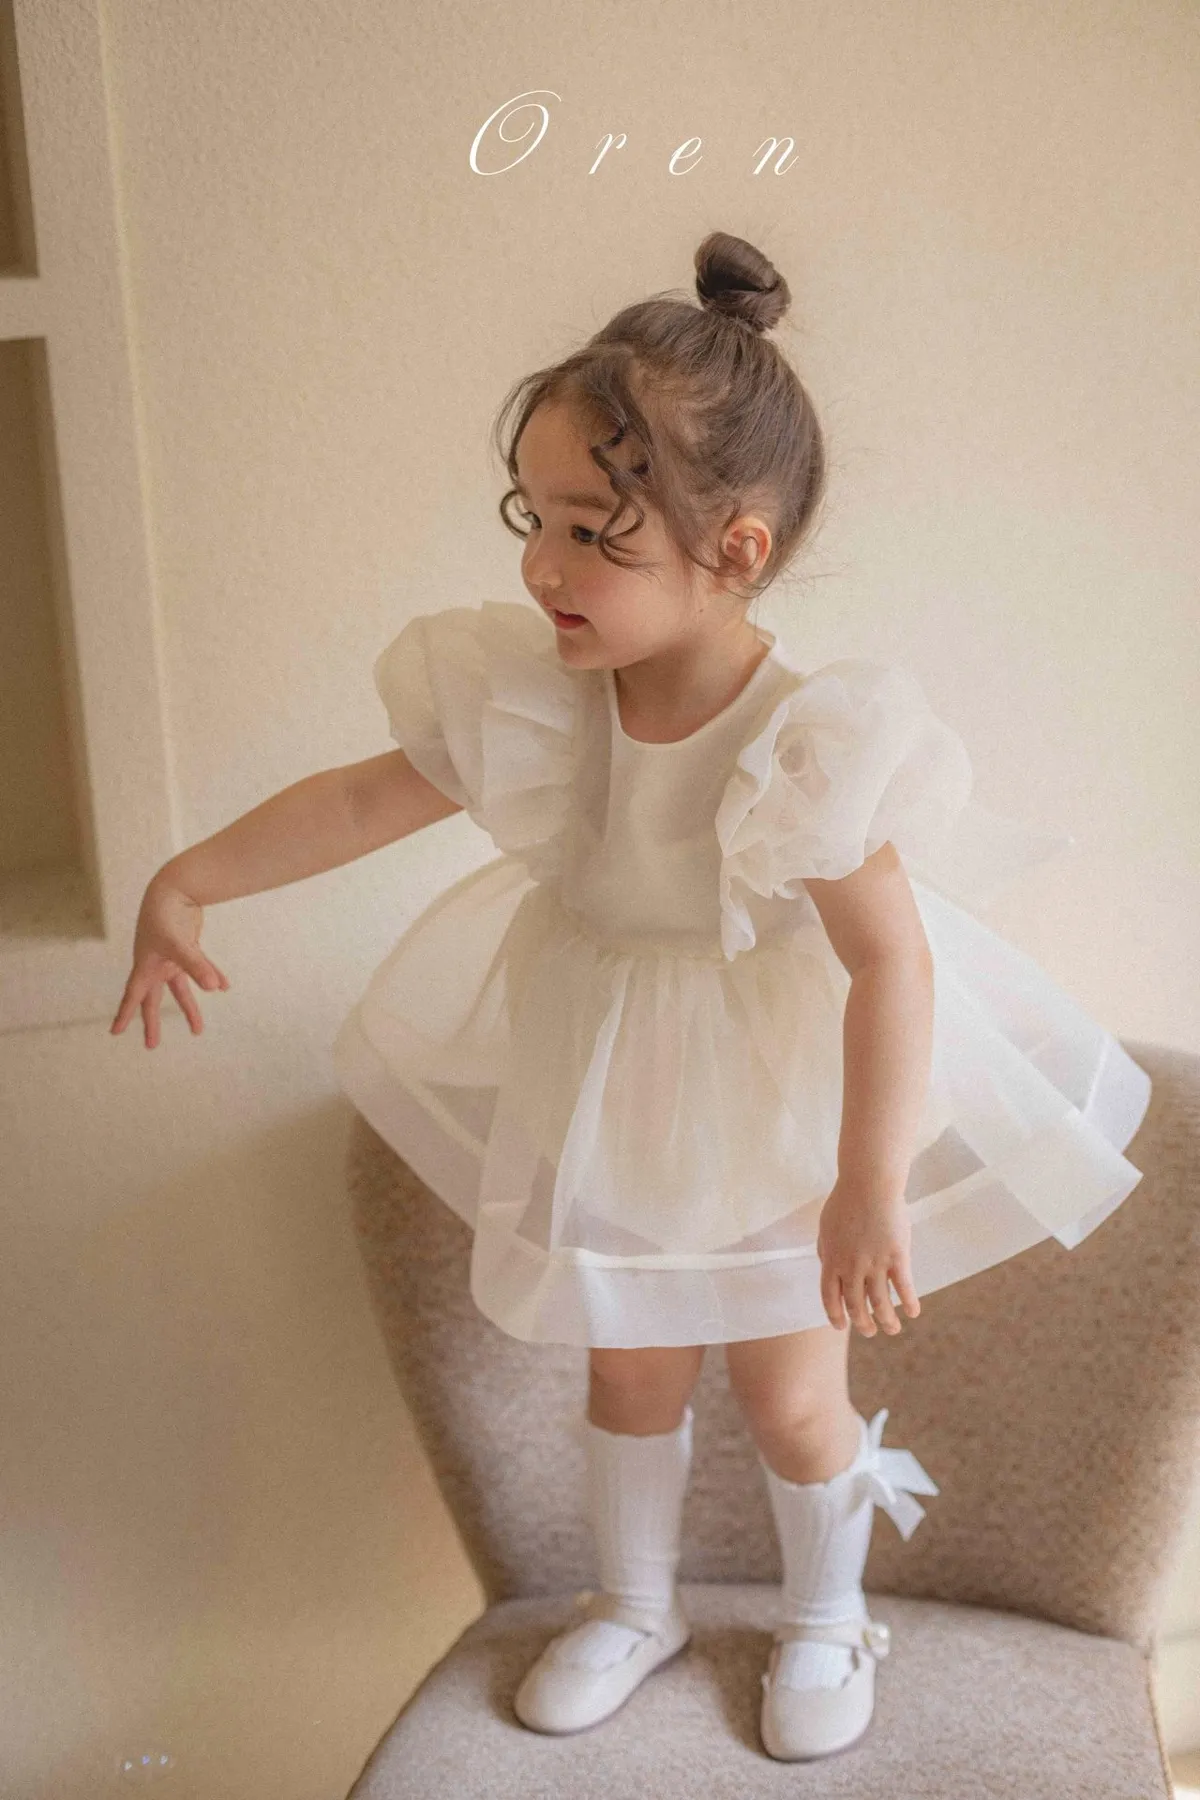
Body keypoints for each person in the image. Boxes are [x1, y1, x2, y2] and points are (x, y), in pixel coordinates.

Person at [111, 230, 1152, 1762]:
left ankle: (824, 1618)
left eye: (596, 533)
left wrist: (865, 1183)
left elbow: (892, 960)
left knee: (791, 1394)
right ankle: (633, 1603)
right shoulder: (543, 701)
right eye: (535, 520)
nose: (545, 568)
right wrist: (190, 877)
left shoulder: (808, 744)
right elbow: (364, 798)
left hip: (774, 1114)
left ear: (735, 549)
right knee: (630, 1367)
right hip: (615, 1089)